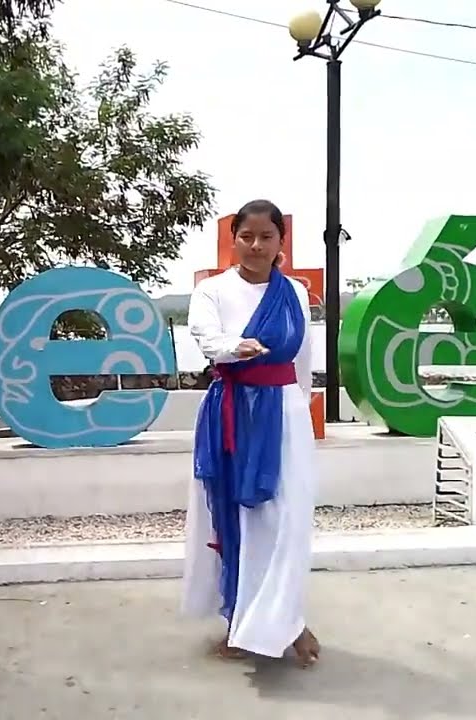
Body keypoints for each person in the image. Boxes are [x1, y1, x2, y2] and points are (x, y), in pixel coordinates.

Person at [181, 199, 320, 666]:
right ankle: (240, 619)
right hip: (233, 412)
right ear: (234, 239)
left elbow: (302, 358)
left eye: (266, 237)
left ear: (281, 241)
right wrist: (235, 348)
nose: (256, 245)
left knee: (287, 520)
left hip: (285, 413)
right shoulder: (212, 292)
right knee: (235, 516)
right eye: (247, 236)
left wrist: (301, 408)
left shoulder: (295, 293)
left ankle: (286, 618)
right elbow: (207, 341)